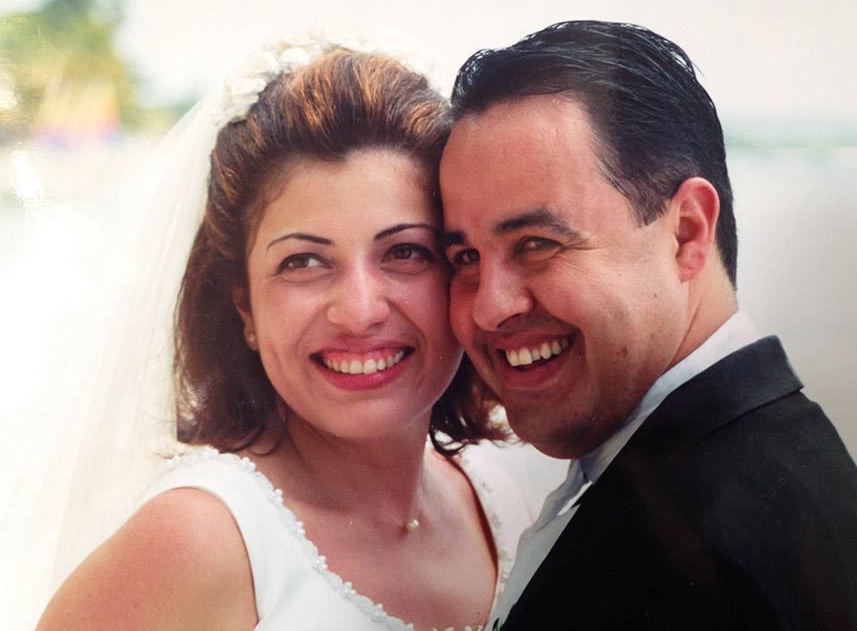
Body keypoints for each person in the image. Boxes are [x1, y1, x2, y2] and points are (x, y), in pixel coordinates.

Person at [37, 35, 529, 630]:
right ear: (243, 306)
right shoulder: (196, 543)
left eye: (405, 252)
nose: (359, 311)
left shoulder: (502, 493)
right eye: (303, 262)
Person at [439, 20, 857, 630]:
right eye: (464, 257)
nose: (488, 307)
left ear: (686, 232)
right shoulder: (774, 455)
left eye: (536, 243)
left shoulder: (689, 549)